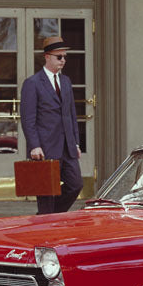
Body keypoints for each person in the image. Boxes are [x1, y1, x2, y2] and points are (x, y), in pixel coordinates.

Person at [19, 36, 84, 213]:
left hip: (67, 147)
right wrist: (34, 145)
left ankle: (47, 216)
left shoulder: (66, 81)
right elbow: (28, 118)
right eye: (59, 57)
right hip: (45, 148)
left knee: (76, 185)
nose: (63, 60)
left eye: (64, 57)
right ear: (47, 56)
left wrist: (76, 142)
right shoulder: (32, 83)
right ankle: (46, 223)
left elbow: (71, 115)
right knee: (46, 194)